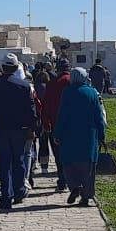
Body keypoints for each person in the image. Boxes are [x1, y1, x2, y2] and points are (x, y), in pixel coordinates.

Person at [0, 54, 38, 210]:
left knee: (4, 163)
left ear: (3, 67)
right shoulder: (24, 86)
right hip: (20, 129)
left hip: (1, 128)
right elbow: (30, 110)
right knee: (18, 160)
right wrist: (32, 128)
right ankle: (18, 192)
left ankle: (6, 197)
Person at [54, 67, 106, 207]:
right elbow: (99, 116)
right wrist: (102, 134)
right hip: (89, 135)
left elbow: (62, 114)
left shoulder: (67, 92)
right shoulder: (92, 93)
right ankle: (86, 195)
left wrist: (57, 133)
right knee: (88, 167)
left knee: (69, 164)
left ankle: (75, 186)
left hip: (69, 135)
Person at [41, 58, 73, 192]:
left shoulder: (52, 83)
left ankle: (62, 179)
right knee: (72, 153)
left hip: (56, 123)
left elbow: (46, 105)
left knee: (59, 154)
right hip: (73, 124)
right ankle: (73, 180)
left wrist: (45, 122)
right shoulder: (74, 82)